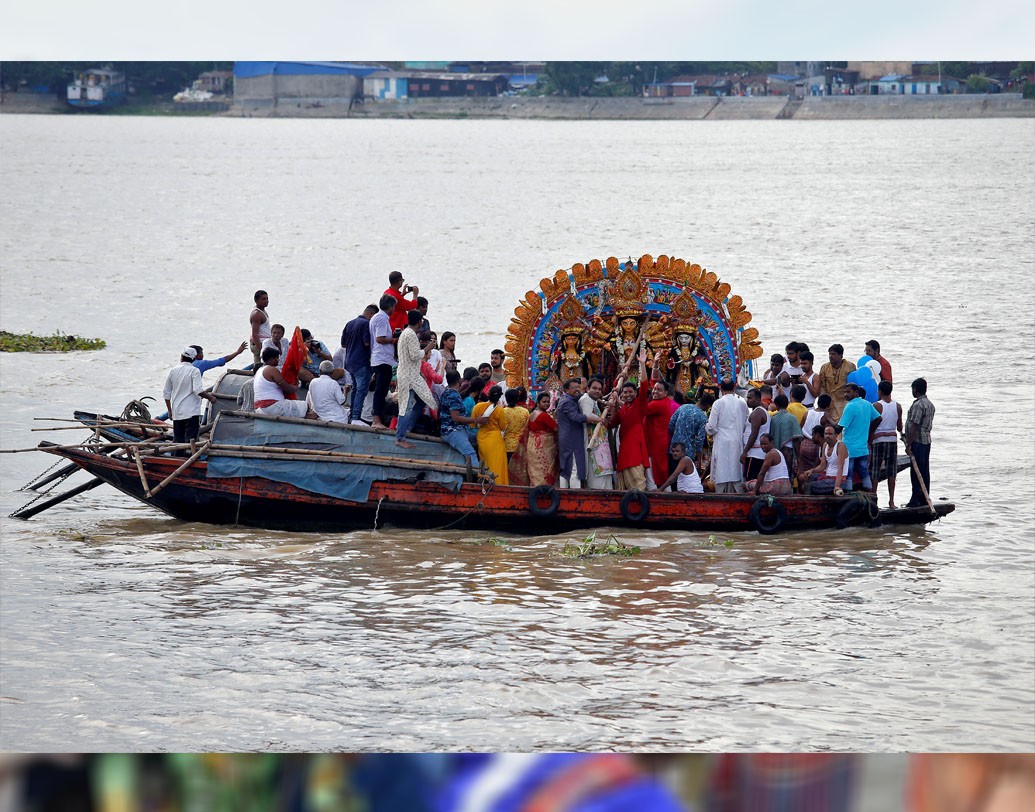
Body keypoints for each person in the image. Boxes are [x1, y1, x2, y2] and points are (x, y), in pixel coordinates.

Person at [608, 348, 651, 491]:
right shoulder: (623, 410)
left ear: (635, 393)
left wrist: (643, 365)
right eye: (624, 392)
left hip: (635, 454)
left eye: (630, 392)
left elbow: (644, 386)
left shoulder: (639, 404)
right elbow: (611, 424)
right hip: (624, 452)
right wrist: (614, 404)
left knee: (639, 488)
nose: (627, 394)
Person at [395, 311, 439, 450]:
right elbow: (415, 355)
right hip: (409, 376)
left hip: (410, 374)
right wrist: (427, 348)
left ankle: (406, 429)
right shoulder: (411, 335)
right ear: (419, 322)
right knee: (406, 407)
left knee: (423, 400)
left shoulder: (405, 333)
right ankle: (401, 437)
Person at [163, 346, 216, 444]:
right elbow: (198, 390)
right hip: (191, 412)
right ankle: (191, 458)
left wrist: (170, 411)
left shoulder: (173, 371)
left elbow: (166, 393)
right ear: (194, 359)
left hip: (177, 412)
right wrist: (210, 398)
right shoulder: (194, 371)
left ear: (181, 357)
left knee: (178, 440)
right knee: (191, 441)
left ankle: (177, 457)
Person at [557, 377, 602, 488]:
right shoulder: (567, 402)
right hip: (571, 439)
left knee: (566, 468)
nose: (577, 390)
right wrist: (595, 419)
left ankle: (564, 494)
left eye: (578, 387)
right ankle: (575, 497)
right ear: (566, 390)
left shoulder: (569, 399)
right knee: (574, 468)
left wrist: (602, 400)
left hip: (567, 438)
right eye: (574, 388)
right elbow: (576, 417)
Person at [837, 382, 881, 494]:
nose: (846, 394)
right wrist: (870, 432)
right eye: (844, 392)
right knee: (863, 471)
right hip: (863, 447)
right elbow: (878, 418)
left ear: (856, 392)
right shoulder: (867, 404)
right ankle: (871, 493)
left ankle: (849, 494)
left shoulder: (850, 406)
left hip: (849, 448)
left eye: (848, 392)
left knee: (849, 472)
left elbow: (840, 427)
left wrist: (828, 426)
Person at [706, 378, 748, 493]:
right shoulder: (742, 403)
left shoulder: (718, 403)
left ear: (721, 388)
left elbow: (711, 427)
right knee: (736, 473)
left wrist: (707, 428)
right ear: (734, 387)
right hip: (737, 442)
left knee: (721, 473)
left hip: (722, 443)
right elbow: (746, 424)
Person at [438, 370, 486, 468]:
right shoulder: (454, 396)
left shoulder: (446, 392)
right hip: (452, 431)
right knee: (470, 452)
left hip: (456, 429)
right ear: (459, 381)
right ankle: (479, 477)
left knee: (479, 438)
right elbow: (455, 418)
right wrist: (476, 420)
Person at [253, 346, 312, 418]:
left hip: (259, 408)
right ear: (271, 359)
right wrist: (296, 387)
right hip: (272, 407)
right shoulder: (272, 370)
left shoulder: (259, 370)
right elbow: (286, 388)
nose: (278, 360)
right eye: (277, 358)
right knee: (306, 406)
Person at [870, 379, 903, 508]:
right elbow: (899, 427)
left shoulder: (876, 405)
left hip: (878, 441)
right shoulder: (898, 406)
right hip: (892, 441)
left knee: (875, 471)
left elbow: (871, 425)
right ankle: (891, 501)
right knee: (891, 472)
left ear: (880, 391)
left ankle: (874, 498)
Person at [342, 304, 377, 426]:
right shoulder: (366, 324)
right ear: (371, 315)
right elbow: (367, 343)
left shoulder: (350, 323)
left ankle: (352, 415)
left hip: (350, 362)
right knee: (361, 390)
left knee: (356, 389)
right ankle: (356, 417)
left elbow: (343, 344)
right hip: (362, 362)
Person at [904, 377, 935, 508]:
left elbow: (914, 426)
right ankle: (924, 496)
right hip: (926, 441)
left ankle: (916, 499)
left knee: (916, 472)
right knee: (924, 470)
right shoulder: (929, 404)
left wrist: (908, 444)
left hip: (918, 442)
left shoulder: (918, 405)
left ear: (915, 389)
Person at [644, 372, 678, 490]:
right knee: (660, 472)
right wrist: (655, 365)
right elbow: (654, 382)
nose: (655, 392)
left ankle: (655, 497)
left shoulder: (658, 404)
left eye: (659, 390)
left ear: (666, 393)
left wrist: (619, 401)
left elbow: (640, 410)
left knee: (652, 473)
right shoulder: (663, 402)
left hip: (655, 444)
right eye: (654, 389)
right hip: (660, 441)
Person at [368, 294, 398, 430]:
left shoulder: (377, 317)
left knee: (381, 389)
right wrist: (393, 340)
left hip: (380, 358)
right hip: (382, 359)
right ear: (390, 307)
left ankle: (377, 418)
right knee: (381, 390)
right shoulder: (381, 318)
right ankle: (376, 419)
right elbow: (380, 338)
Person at [579, 376, 614, 489]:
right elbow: (587, 415)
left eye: (599, 389)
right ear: (587, 389)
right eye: (594, 388)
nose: (597, 391)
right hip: (593, 444)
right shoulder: (586, 399)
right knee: (597, 480)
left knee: (605, 476)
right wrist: (601, 419)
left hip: (600, 443)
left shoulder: (592, 400)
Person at [472, 385, 509, 484]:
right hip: (495, 439)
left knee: (485, 463)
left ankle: (486, 484)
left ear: (488, 394)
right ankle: (499, 484)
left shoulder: (478, 406)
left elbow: (472, 425)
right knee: (497, 464)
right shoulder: (499, 410)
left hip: (482, 438)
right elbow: (502, 427)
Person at [525, 391, 560, 487]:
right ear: (538, 402)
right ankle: (544, 491)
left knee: (536, 471)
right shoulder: (543, 415)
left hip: (533, 446)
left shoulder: (533, 413)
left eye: (548, 402)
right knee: (545, 470)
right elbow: (556, 428)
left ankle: (536, 489)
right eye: (544, 402)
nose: (547, 404)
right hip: (543, 447)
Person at [669, 392, 712, 466]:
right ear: (707, 405)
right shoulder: (702, 417)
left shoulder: (683, 407)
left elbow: (671, 424)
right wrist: (699, 461)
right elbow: (699, 441)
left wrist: (677, 434)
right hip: (688, 453)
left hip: (673, 449)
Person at [803, 424, 848, 495]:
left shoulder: (840, 446)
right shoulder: (825, 445)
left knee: (809, 486)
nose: (827, 436)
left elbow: (840, 468)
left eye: (830, 434)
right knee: (805, 477)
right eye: (826, 434)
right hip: (827, 476)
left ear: (836, 435)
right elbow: (822, 465)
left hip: (838, 480)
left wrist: (837, 486)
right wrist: (812, 470)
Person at [819, 343, 856, 422]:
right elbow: (822, 386)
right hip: (829, 403)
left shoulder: (850, 366)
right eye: (830, 354)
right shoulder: (825, 367)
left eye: (834, 354)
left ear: (841, 356)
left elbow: (854, 385)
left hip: (844, 401)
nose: (831, 356)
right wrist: (824, 401)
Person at [768, 394, 803, 478]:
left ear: (776, 405)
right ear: (787, 404)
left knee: (777, 473)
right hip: (789, 450)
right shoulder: (792, 418)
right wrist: (798, 456)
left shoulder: (773, 418)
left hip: (775, 450)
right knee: (788, 473)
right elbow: (796, 439)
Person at [741, 387, 771, 483]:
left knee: (751, 482)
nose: (747, 400)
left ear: (758, 399)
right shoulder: (760, 411)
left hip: (755, 454)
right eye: (747, 398)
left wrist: (745, 452)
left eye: (750, 398)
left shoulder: (757, 413)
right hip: (758, 453)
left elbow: (754, 434)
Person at [501, 387, 529, 462]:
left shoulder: (503, 411)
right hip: (521, 445)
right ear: (517, 398)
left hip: (508, 445)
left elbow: (501, 427)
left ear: (506, 399)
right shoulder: (525, 411)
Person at [797, 425, 826, 494]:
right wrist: (810, 471)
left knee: (803, 479)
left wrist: (812, 471)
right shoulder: (819, 448)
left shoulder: (826, 446)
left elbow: (823, 465)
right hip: (821, 472)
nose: (812, 438)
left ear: (818, 435)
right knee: (802, 476)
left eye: (813, 435)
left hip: (826, 474)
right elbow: (817, 464)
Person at [249, 289, 271, 366]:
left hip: (264, 342)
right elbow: (255, 334)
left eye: (267, 298)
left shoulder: (262, 311)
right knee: (259, 364)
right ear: (256, 300)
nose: (266, 301)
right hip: (259, 342)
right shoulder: (257, 314)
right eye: (263, 299)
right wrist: (260, 349)